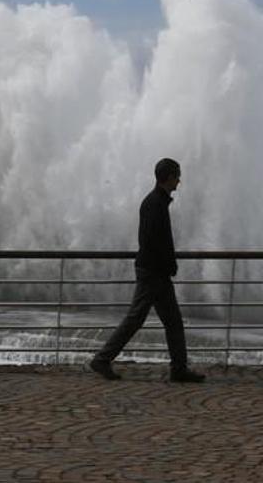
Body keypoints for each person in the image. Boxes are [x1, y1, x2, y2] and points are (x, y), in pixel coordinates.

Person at [90, 158, 205, 383]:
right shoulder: (155, 204)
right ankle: (102, 359)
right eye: (177, 176)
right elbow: (154, 241)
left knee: (170, 321)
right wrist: (169, 264)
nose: (179, 181)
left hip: (154, 271)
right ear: (169, 177)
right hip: (153, 273)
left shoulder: (155, 202)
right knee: (139, 319)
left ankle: (179, 369)